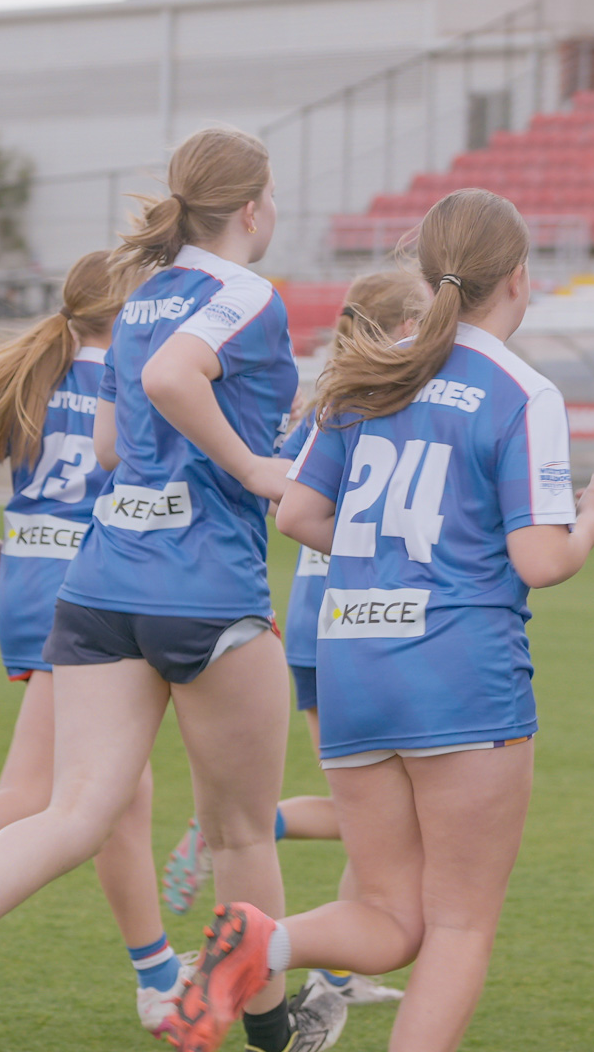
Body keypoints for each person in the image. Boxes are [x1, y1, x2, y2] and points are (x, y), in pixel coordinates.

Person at [0, 126, 343, 1052]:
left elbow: (113, 444)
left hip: (103, 583)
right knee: (238, 837)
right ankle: (274, 1035)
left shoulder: (142, 293)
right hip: (204, 588)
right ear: (256, 207)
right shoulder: (244, 294)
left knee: (74, 809)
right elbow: (170, 379)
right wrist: (256, 465)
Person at [162, 187, 594, 1052]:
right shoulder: (521, 389)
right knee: (456, 926)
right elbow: (541, 561)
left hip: (353, 661)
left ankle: (271, 940)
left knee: (390, 917)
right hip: (457, 670)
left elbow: (296, 514)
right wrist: (593, 521)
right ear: (519, 278)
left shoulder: (366, 372)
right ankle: (269, 942)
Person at [0, 249, 193, 1033]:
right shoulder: (136, 376)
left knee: (117, 792)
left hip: (28, 579)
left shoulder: (36, 372)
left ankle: (157, 974)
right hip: (97, 589)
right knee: (38, 792)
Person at [161, 270, 428, 1011]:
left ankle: (337, 971)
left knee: (377, 815)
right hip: (364, 615)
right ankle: (253, 839)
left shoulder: (328, 397)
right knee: (385, 817)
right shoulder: (385, 398)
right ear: (403, 325)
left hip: (314, 610)